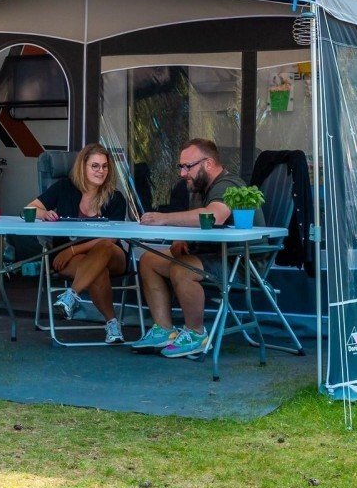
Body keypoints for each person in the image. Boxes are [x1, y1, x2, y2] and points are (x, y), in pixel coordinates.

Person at [135, 138, 263, 359]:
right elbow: (199, 223)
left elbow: (215, 216)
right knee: (149, 261)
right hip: (214, 256)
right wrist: (184, 238)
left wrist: (164, 219)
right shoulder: (199, 188)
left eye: (187, 166)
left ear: (209, 163)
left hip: (242, 264)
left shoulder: (227, 184)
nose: (183, 173)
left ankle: (196, 334)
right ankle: (164, 330)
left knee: (182, 268)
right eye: (181, 167)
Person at [25, 143, 131, 344]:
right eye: (95, 166)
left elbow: (112, 238)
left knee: (105, 246)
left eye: (104, 166)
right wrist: (44, 213)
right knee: (98, 270)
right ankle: (112, 324)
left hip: (111, 256)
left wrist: (73, 249)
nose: (101, 171)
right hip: (73, 259)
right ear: (82, 167)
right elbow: (29, 209)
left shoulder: (115, 198)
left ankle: (72, 294)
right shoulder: (65, 187)